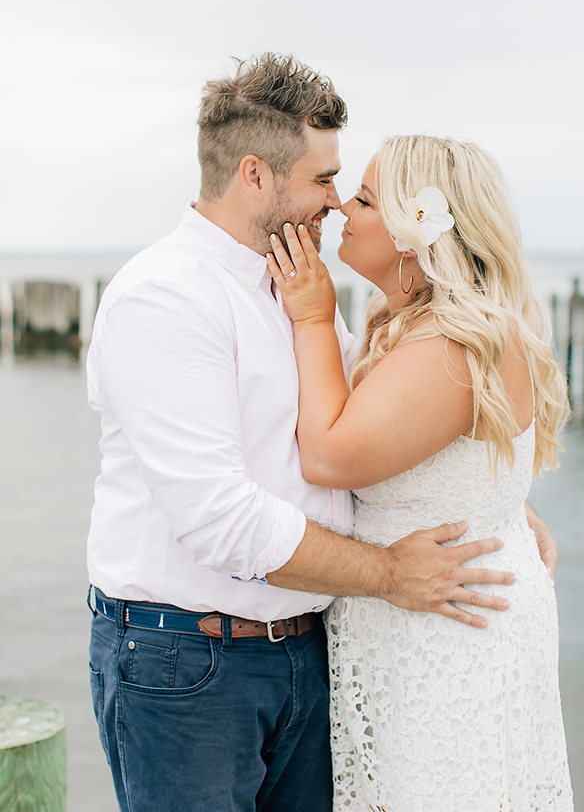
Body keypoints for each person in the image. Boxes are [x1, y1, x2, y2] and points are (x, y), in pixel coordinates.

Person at [86, 54, 557, 812]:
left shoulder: (295, 283)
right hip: (191, 663)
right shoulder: (165, 299)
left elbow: (382, 430)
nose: (336, 203)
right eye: (324, 180)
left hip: (309, 651)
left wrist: (498, 505)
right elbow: (221, 515)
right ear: (255, 176)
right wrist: (390, 574)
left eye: (349, 187)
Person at [267, 135, 574, 810]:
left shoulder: (451, 344)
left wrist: (314, 317)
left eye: (369, 199)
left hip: (443, 641)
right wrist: (509, 507)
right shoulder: (422, 328)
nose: (345, 204)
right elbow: (444, 462)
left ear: (415, 236)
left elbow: (327, 455)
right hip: (429, 620)